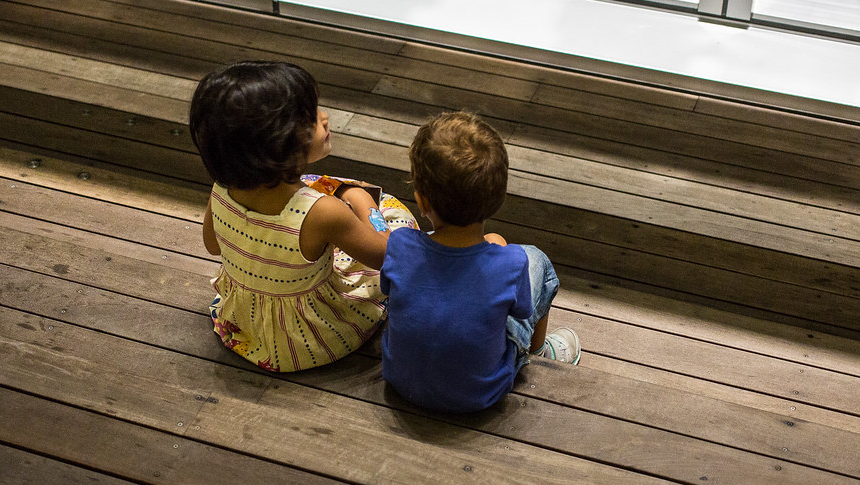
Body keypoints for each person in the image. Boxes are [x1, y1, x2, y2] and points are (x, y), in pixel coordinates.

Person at [189, 61, 416, 372]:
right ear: (276, 144)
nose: (323, 117)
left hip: (244, 324)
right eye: (311, 117)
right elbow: (385, 254)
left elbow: (214, 247)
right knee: (394, 212)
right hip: (309, 339)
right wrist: (359, 198)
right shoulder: (322, 211)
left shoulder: (222, 187)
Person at [380, 111, 580, 414]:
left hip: (401, 381)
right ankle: (538, 351)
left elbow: (390, 291)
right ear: (497, 199)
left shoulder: (400, 244)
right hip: (479, 394)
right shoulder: (511, 264)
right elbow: (521, 312)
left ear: (421, 201)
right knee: (535, 258)